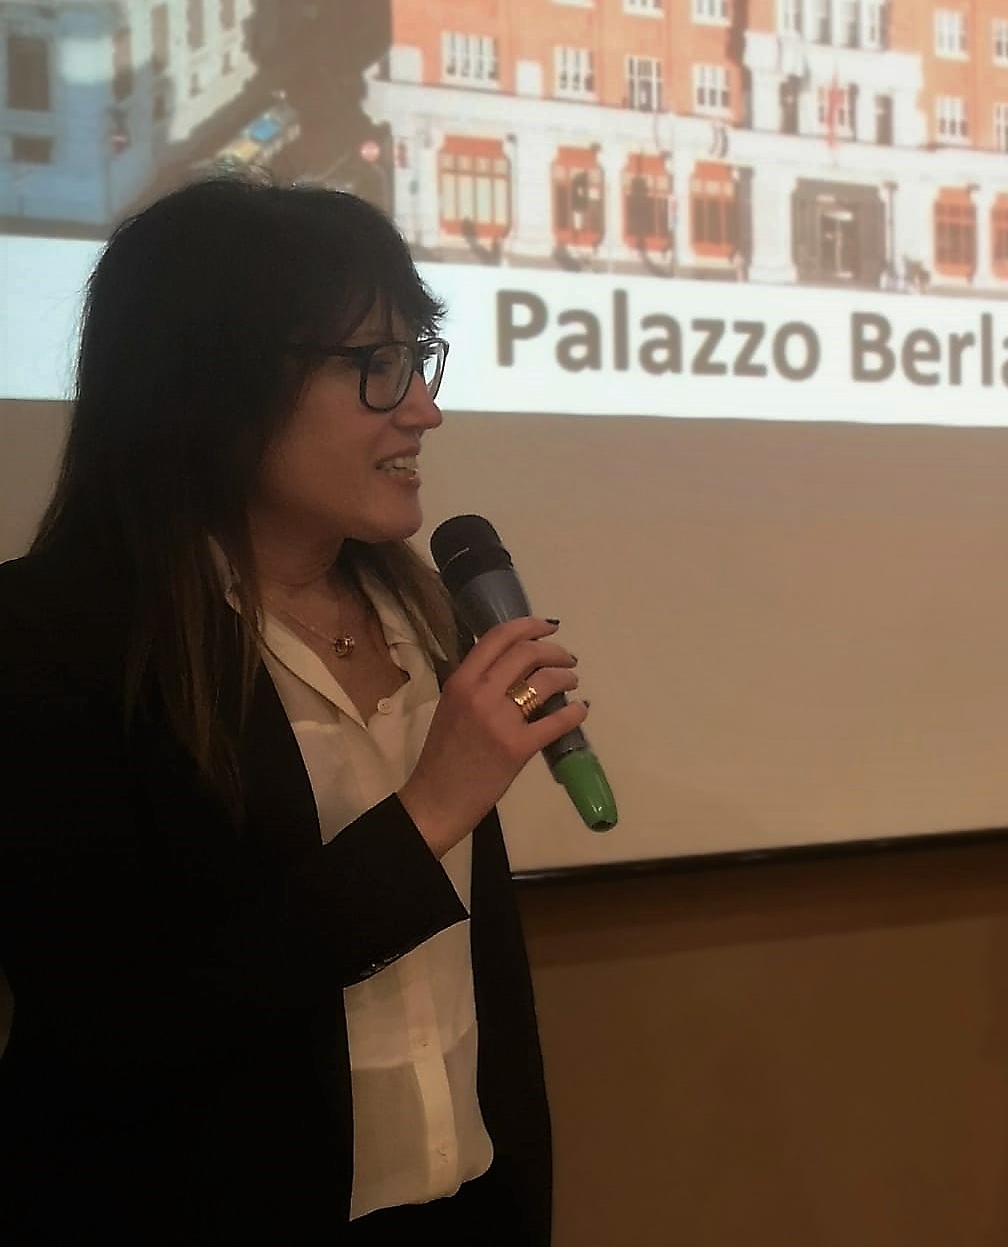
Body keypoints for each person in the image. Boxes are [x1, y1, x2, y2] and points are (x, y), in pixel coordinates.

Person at [0, 176, 585, 1241]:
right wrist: (427, 813)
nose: (423, 406)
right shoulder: (51, 639)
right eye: (376, 366)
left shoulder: (423, 612)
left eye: (419, 358)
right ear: (212, 387)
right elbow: (109, 1029)